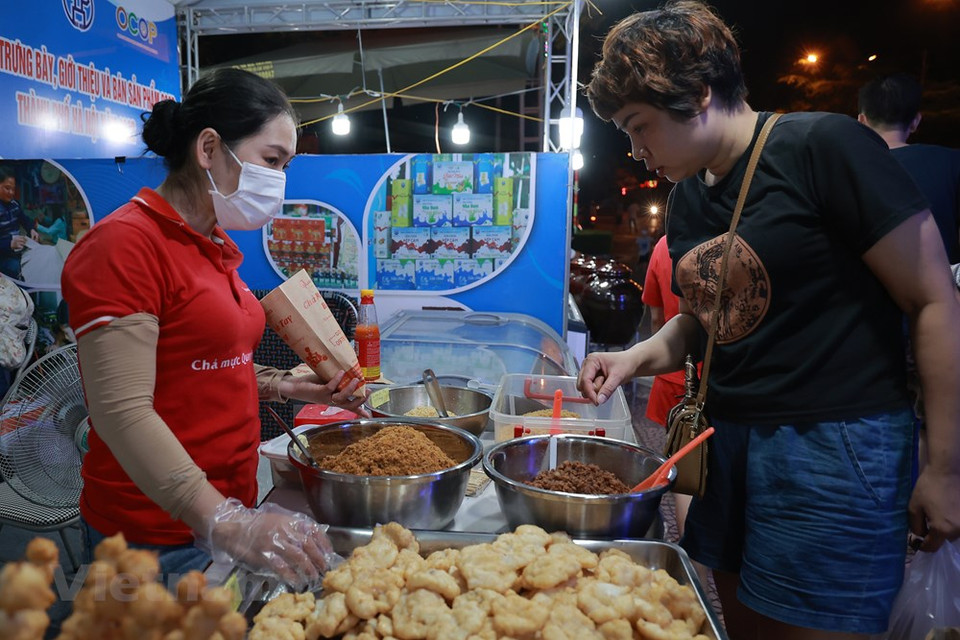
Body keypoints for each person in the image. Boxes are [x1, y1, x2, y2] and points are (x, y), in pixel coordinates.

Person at [580, 2, 960, 638]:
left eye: (639, 125)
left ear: (698, 94)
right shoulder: (690, 197)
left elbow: (932, 301)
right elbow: (706, 324)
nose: (637, 150)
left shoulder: (821, 147)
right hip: (727, 442)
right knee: (740, 623)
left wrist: (945, 468)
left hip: (833, 448)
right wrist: (633, 359)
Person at [60, 68, 369, 589]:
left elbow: (200, 369)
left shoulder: (216, 247)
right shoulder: (124, 247)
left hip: (225, 510)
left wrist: (286, 386)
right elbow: (121, 412)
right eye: (272, 160)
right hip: (152, 536)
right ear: (208, 149)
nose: (279, 178)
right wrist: (224, 521)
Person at [858, 73, 960, 263]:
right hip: (938, 287)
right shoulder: (952, 162)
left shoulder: (843, 166)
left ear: (862, 120)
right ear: (915, 121)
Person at [641, 233, 697, 537]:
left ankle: (696, 576)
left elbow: (656, 320)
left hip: (675, 379)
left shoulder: (665, 245)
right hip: (714, 379)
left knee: (686, 483)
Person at [0, 167, 40, 281]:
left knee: (39, 259)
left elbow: (24, 219)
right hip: (3, 256)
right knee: (17, 270)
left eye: (13, 189)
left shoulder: (14, 204)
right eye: (7, 188)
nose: (11, 192)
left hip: (17, 251)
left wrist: (31, 229)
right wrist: (9, 243)